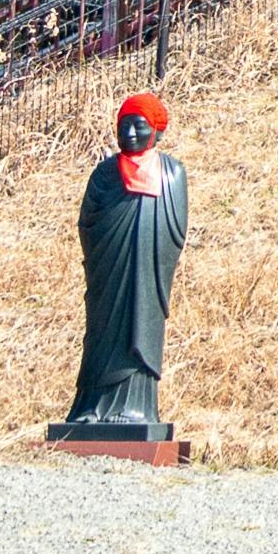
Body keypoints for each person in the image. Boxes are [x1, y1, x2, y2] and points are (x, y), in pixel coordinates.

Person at [67, 92, 191, 434]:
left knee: (141, 330)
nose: (131, 134)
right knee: (102, 334)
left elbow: (176, 228)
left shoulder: (171, 172)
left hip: (146, 271)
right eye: (125, 127)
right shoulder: (105, 173)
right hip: (108, 270)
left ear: (158, 132)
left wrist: (147, 241)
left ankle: (135, 407)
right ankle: (91, 407)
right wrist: (108, 243)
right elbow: (87, 220)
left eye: (139, 127)